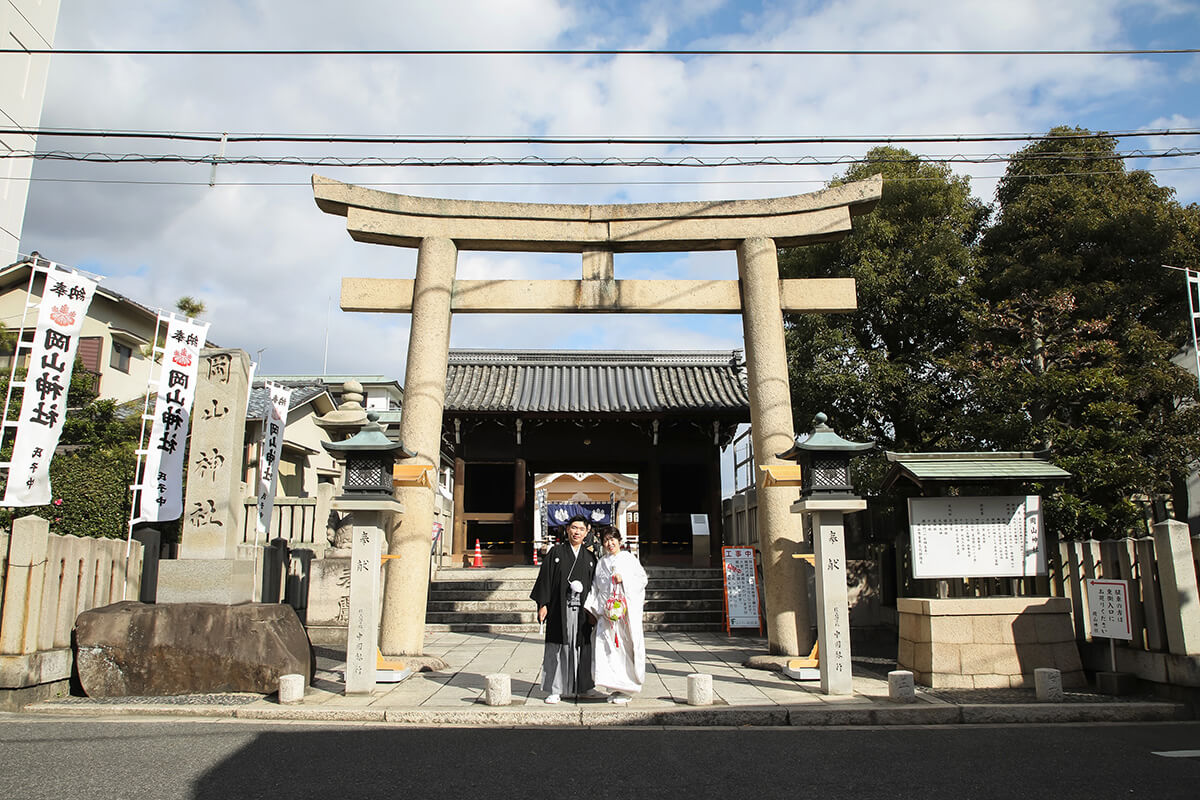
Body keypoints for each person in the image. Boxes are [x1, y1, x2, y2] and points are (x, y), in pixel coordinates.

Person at [531, 514, 597, 703]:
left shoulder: (590, 557)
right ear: (567, 529)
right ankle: (555, 688)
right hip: (559, 607)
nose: (576, 532)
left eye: (581, 529)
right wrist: (542, 604)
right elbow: (545, 579)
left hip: (583, 610)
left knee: (583, 646)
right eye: (573, 528)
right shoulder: (556, 553)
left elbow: (595, 586)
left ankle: (585, 685)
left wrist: (594, 610)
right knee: (557, 645)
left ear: (587, 532)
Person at [584, 527, 647, 704]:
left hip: (624, 615)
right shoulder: (601, 562)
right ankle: (614, 687)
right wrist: (594, 609)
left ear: (620, 540)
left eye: (613, 539)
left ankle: (627, 687)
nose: (610, 544)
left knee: (624, 649)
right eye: (606, 540)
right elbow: (596, 587)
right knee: (607, 650)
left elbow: (642, 580)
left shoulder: (628, 558)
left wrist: (624, 579)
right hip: (607, 613)